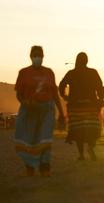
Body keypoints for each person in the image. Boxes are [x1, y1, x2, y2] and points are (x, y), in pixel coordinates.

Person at [14, 46, 65, 177]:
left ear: (43, 56)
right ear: (31, 57)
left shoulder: (49, 72)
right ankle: (30, 167)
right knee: (30, 140)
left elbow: (54, 94)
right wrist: (25, 102)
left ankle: (45, 167)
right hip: (29, 110)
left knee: (45, 138)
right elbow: (19, 94)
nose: (38, 57)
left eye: (40, 55)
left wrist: (61, 113)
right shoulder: (23, 72)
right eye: (35, 55)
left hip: (47, 109)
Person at [59, 52, 104, 161]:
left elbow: (61, 85)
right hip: (90, 106)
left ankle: (81, 154)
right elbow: (99, 87)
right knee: (92, 128)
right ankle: (90, 147)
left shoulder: (71, 73)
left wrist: (65, 96)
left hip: (75, 107)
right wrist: (101, 98)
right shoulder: (93, 72)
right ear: (87, 61)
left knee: (78, 130)